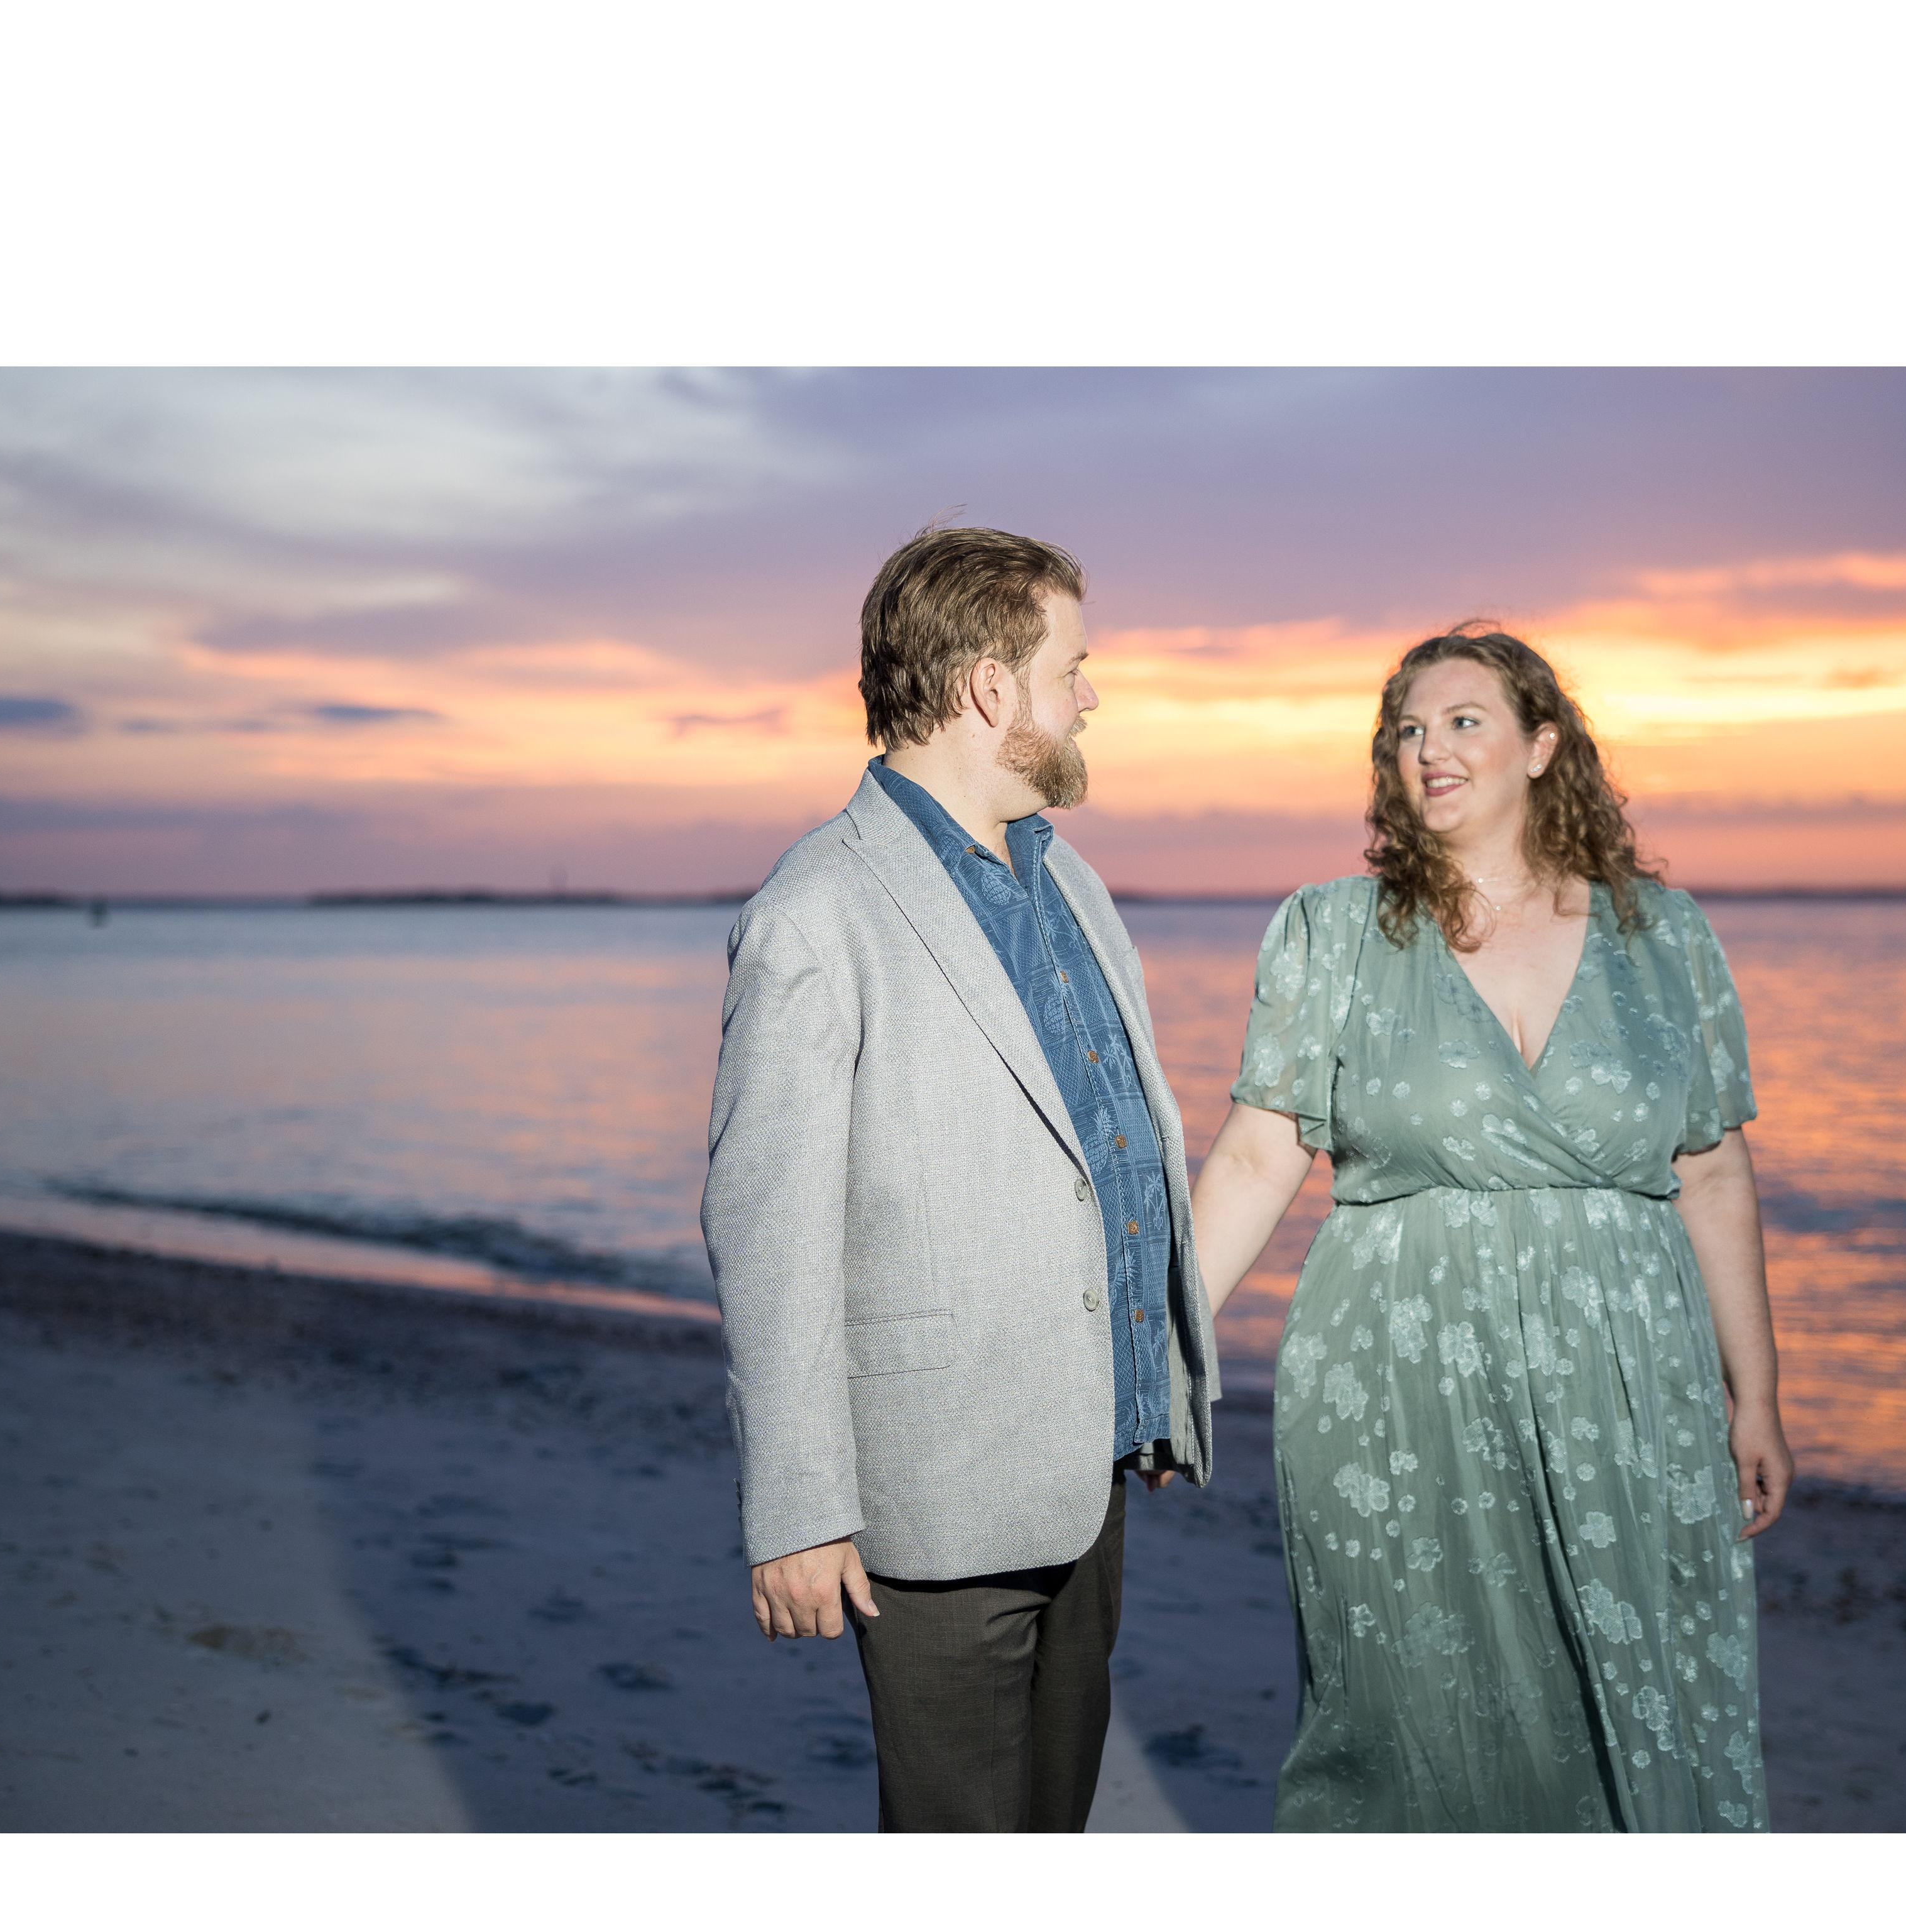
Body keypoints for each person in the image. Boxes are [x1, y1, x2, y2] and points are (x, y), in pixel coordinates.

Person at [1189, 624, 1792, 1832]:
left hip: (1628, 1376)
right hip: (1397, 1377)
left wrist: (1758, 1395)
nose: (1431, 750)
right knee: (1407, 1711)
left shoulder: (1664, 937)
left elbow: (1715, 1171)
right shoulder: (1334, 930)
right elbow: (1260, 1155)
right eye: (1409, 730)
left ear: (1543, 747)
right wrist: (1165, 1347)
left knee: (1646, 1689)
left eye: (1465, 721)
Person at [701, 524, 1217, 1833]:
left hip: (1087, 1467)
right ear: (991, 687)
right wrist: (798, 1512)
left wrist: (1154, 1382)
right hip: (932, 1489)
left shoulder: (1069, 879)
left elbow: (1108, 1145)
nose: (1090, 696)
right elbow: (769, 1233)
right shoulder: (815, 913)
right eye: (1071, 667)